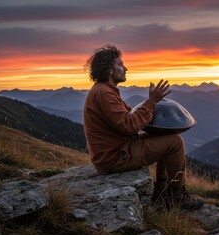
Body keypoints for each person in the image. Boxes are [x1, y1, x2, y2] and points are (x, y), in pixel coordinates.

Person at [83, 44, 203, 209]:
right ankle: (178, 196)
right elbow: (129, 125)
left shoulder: (105, 91)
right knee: (175, 142)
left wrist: (151, 105)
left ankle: (161, 192)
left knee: (162, 137)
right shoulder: (103, 93)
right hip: (116, 158)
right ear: (110, 70)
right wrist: (151, 102)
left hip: (119, 150)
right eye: (120, 64)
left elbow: (128, 117)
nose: (125, 68)